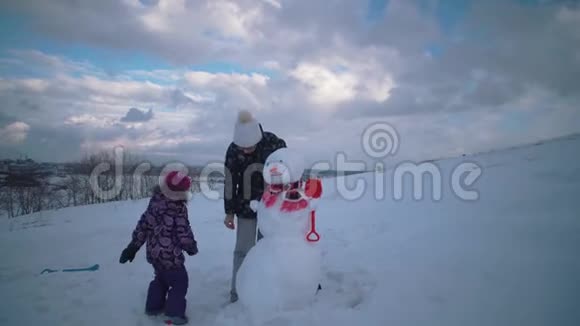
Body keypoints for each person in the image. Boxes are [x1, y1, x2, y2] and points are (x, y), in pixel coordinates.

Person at [119, 171, 198, 325]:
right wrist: (191, 247)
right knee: (180, 282)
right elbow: (183, 231)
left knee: (160, 279)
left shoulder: (154, 203)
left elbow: (143, 226)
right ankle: (174, 313)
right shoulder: (178, 208)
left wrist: (133, 247)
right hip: (171, 256)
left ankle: (153, 307)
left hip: (155, 254)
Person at [223, 110, 287, 303]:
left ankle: (267, 288)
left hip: (272, 205)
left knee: (268, 248)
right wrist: (229, 212)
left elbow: (289, 169)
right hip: (245, 206)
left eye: (250, 147)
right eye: (243, 148)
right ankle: (237, 293)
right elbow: (229, 182)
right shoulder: (233, 150)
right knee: (243, 250)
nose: (246, 151)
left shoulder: (274, 143)